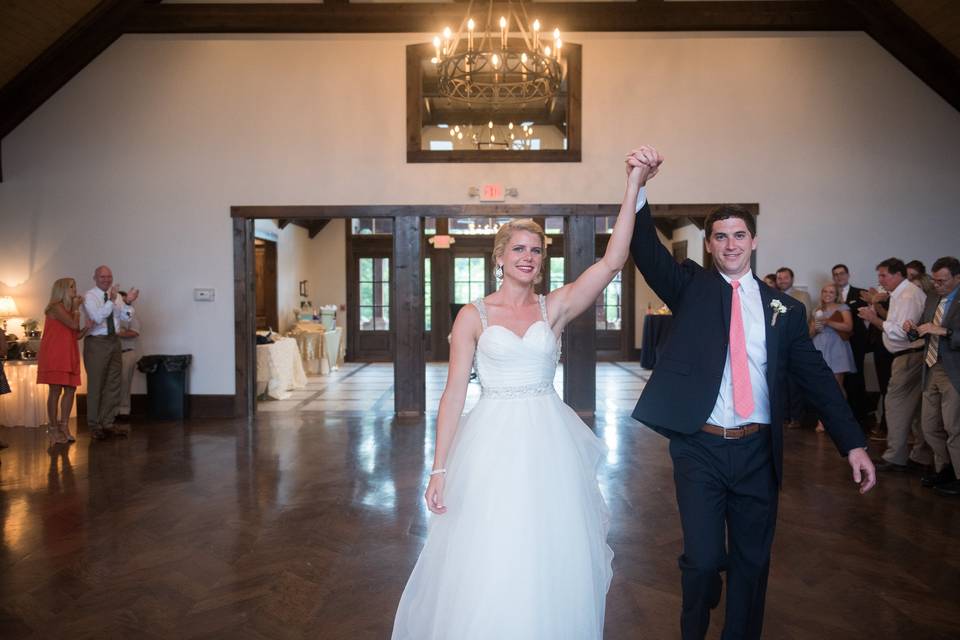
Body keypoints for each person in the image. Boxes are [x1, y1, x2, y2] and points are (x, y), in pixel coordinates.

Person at [392, 147, 662, 640]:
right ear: (500, 257)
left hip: (547, 440)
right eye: (518, 249)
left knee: (546, 544)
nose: (528, 257)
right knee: (491, 546)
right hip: (490, 442)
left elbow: (613, 260)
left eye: (536, 250)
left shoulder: (552, 309)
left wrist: (632, 186)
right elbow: (453, 396)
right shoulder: (473, 315)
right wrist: (438, 467)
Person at [627, 148, 875, 640]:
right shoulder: (691, 288)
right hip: (699, 446)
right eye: (721, 236)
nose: (731, 243)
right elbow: (646, 250)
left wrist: (854, 443)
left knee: (751, 563)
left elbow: (819, 380)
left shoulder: (784, 308)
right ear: (710, 245)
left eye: (739, 234)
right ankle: (694, 626)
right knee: (701, 562)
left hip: (759, 450)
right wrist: (638, 182)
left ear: (753, 240)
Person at [859, 258, 932, 472]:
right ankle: (919, 455)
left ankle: (895, 456)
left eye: (884, 275)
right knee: (915, 409)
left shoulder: (908, 295)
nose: (880, 280)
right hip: (909, 355)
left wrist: (873, 318)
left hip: (909, 355)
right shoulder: (901, 294)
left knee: (895, 405)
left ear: (898, 274)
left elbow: (903, 332)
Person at [906, 257, 960, 496]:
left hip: (954, 370)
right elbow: (923, 329)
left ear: (957, 278)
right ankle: (945, 468)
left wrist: (945, 331)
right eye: (935, 280)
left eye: (942, 281)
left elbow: (945, 332)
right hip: (931, 367)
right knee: (929, 426)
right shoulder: (932, 298)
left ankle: (959, 476)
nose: (937, 285)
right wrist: (912, 330)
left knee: (953, 426)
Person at [83, 266, 138, 440]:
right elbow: (98, 318)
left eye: (109, 276)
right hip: (97, 343)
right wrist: (112, 301)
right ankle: (94, 425)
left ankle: (107, 422)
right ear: (95, 277)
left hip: (114, 341)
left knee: (114, 382)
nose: (106, 279)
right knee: (96, 384)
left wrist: (127, 302)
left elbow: (126, 317)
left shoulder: (115, 295)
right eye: (102, 276)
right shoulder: (89, 296)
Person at [36, 278, 91, 444]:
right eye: (72, 286)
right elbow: (74, 326)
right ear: (62, 289)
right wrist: (77, 308)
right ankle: (53, 429)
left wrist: (87, 327)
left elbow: (76, 334)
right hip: (55, 354)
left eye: (75, 286)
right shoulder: (55, 307)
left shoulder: (68, 309)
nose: (75, 289)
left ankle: (64, 426)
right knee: (55, 391)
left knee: (70, 389)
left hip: (69, 353)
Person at [810, 283, 855, 432]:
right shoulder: (817, 309)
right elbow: (809, 333)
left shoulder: (843, 308)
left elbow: (848, 327)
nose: (828, 294)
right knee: (820, 387)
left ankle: (840, 419)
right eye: (825, 291)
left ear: (836, 294)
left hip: (836, 347)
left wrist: (828, 321)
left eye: (831, 292)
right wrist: (815, 328)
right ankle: (822, 421)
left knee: (836, 386)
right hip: (819, 346)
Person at [831, 264, 870, 427]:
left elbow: (866, 318)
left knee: (856, 378)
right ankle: (841, 416)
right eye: (835, 274)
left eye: (841, 273)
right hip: (835, 344)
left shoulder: (860, 293)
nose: (839, 277)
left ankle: (858, 417)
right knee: (838, 381)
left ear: (848, 275)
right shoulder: (830, 294)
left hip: (855, 342)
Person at [775, 267, 813, 428]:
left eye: (785, 277)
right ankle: (783, 415)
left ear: (792, 278)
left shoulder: (802, 295)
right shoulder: (773, 295)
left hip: (795, 342)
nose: (782, 280)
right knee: (780, 381)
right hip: (777, 343)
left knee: (795, 382)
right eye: (779, 278)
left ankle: (796, 417)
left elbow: (808, 316)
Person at [116, 297, 141, 421]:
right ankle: (110, 412)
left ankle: (123, 411)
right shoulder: (107, 314)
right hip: (110, 354)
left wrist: (119, 333)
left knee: (124, 382)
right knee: (111, 383)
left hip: (126, 352)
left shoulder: (131, 315)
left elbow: (135, 332)